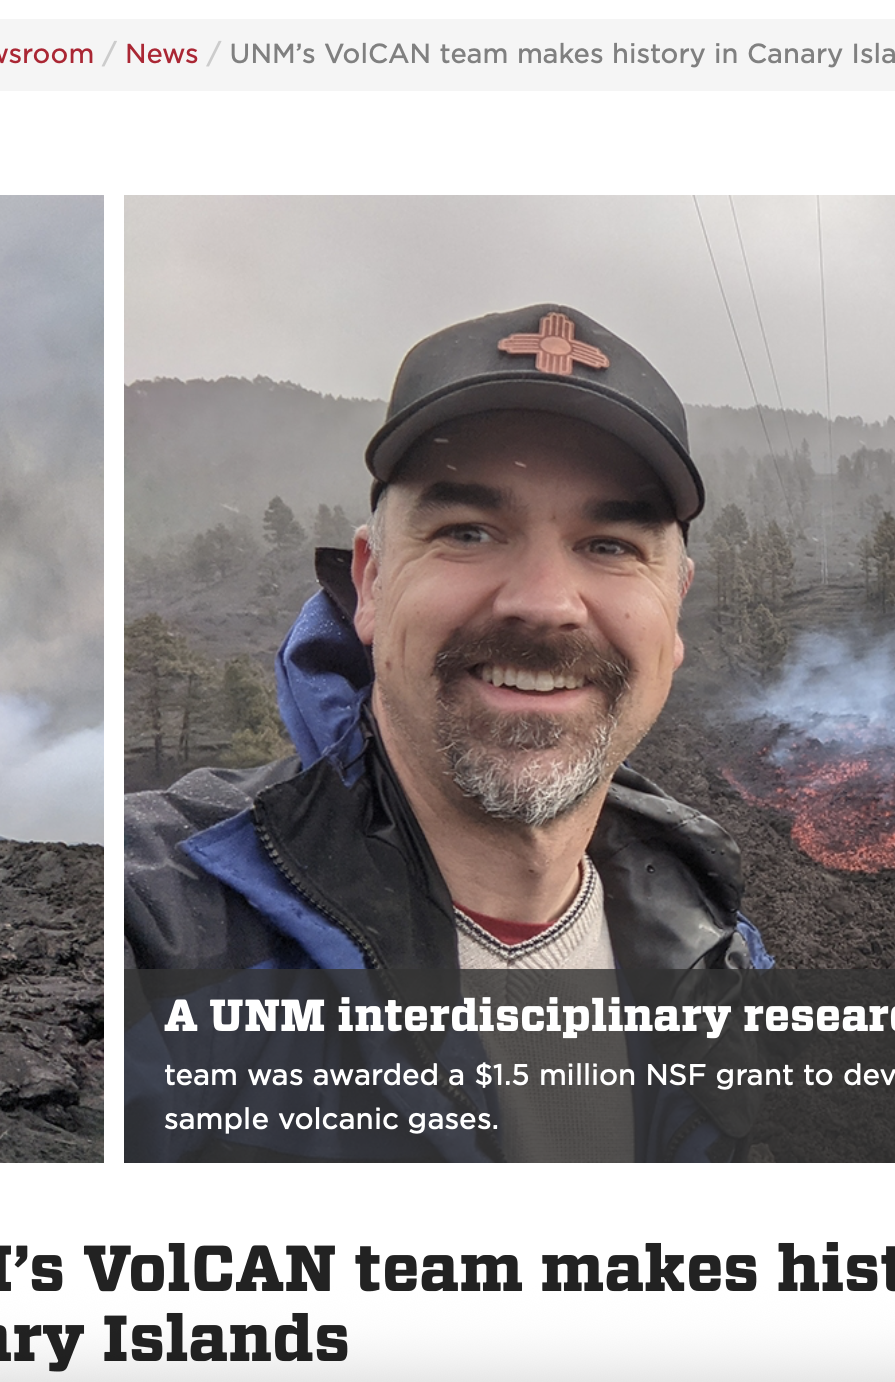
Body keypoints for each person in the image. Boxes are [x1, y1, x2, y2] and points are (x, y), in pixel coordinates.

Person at [125, 305, 768, 1161]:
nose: (544, 602)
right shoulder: (159, 923)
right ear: (371, 583)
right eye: (468, 533)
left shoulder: (717, 956)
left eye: (611, 545)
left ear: (674, 607)